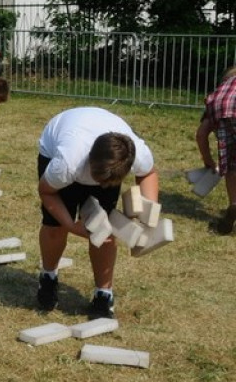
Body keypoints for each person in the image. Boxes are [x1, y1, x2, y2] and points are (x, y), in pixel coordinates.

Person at [35, 107, 158, 318]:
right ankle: (48, 277)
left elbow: (148, 173)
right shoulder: (67, 163)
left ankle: (103, 294)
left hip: (97, 144)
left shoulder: (135, 152)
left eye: (108, 183)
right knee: (55, 227)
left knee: (104, 234)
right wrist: (72, 226)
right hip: (57, 144)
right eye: (98, 180)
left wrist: (148, 216)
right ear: (90, 163)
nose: (101, 186)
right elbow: (46, 192)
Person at [196, 66, 236, 233]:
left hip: (223, 113)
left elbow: (201, 134)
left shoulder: (217, 95)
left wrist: (209, 161)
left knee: (232, 166)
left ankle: (234, 203)